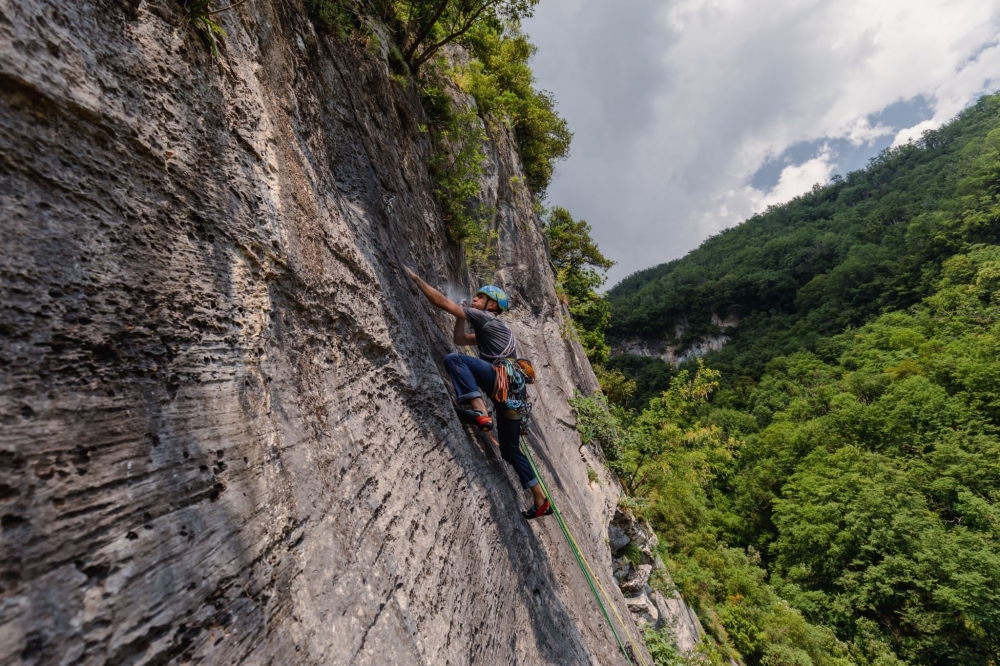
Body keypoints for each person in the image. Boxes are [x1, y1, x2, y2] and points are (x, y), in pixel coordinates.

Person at [405, 267, 552, 519]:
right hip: (512, 398)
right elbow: (461, 339)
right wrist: (463, 315)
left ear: (492, 306)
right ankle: (541, 499)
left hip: (499, 381)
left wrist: (417, 278)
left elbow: (442, 303)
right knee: (509, 449)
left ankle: (479, 412)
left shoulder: (487, 319)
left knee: (454, 360)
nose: (475, 299)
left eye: (480, 298)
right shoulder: (490, 327)